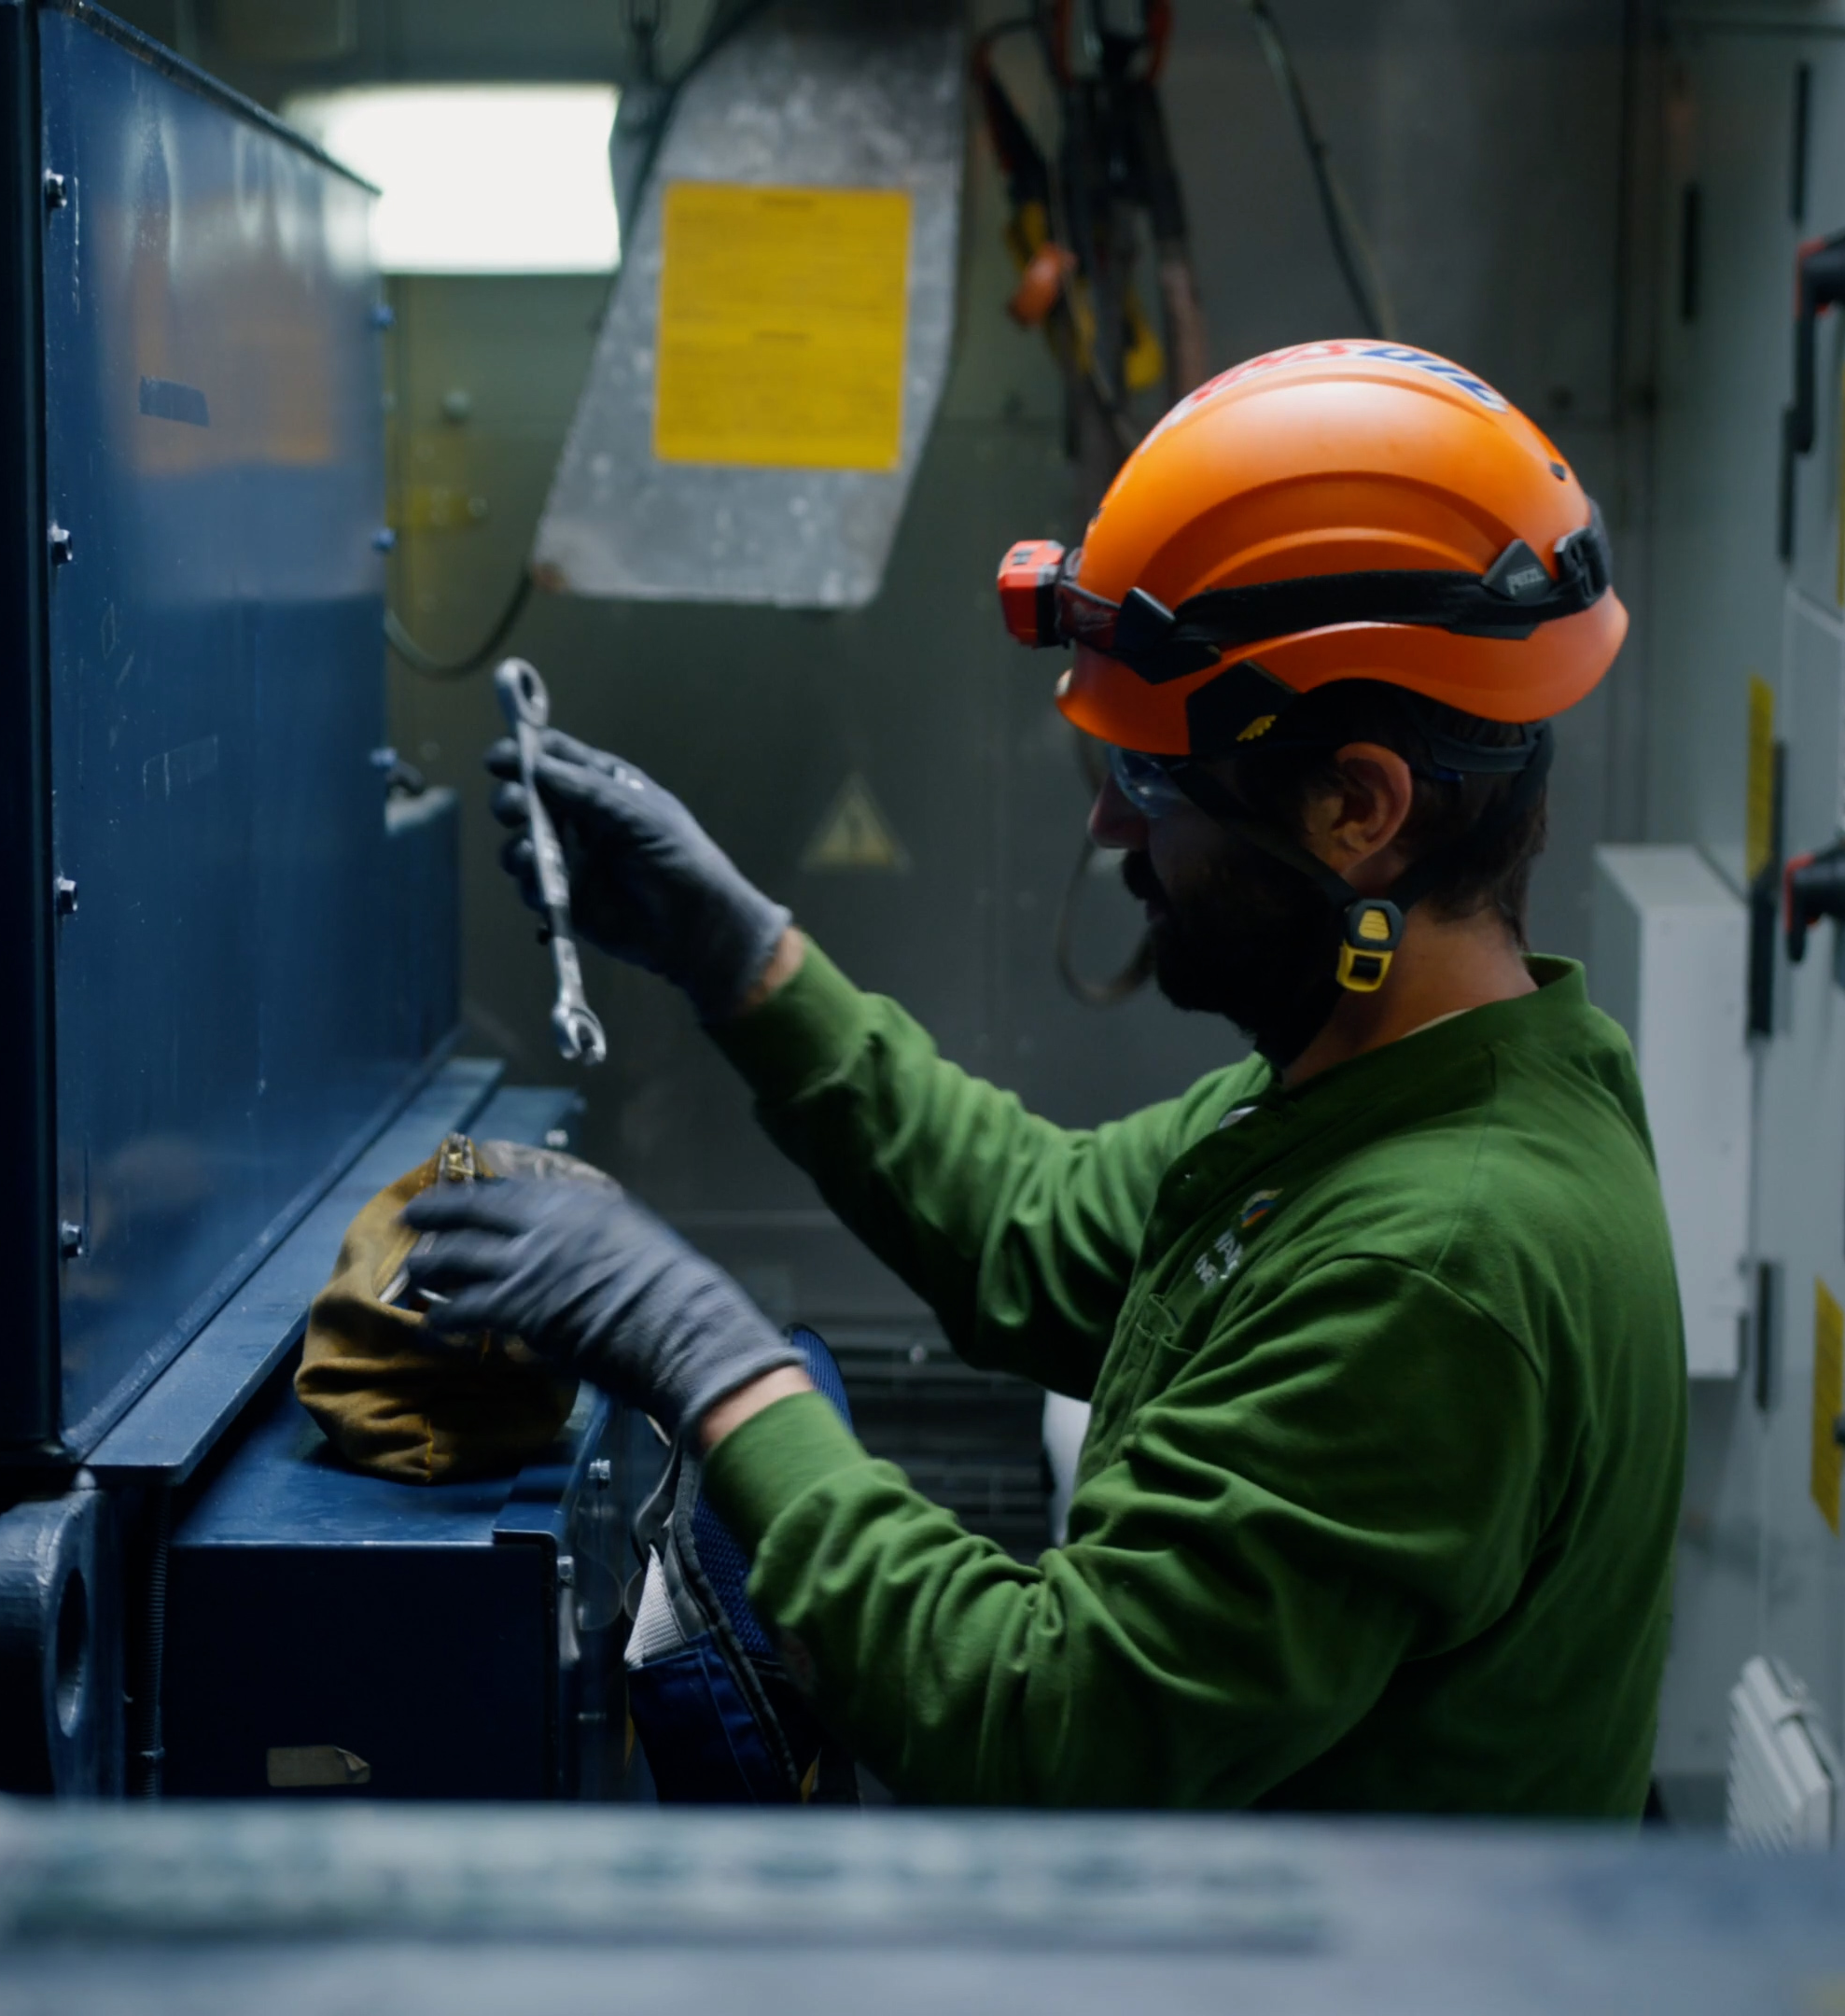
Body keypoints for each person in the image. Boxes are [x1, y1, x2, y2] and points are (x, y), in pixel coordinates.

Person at [404, 340, 1687, 1813]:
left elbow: (1044, 1718)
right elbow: (1033, 1225)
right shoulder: (1378, 1088)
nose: (1108, 829)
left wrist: (711, 1358)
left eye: (1150, 780)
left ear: (1357, 806)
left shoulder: (1442, 1261)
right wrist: (740, 958)